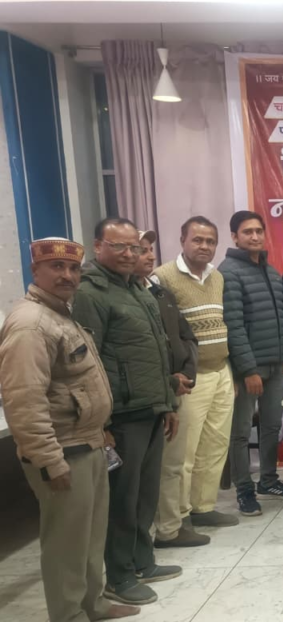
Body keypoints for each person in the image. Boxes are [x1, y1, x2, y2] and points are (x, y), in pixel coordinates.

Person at [0, 238, 140, 622]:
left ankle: (92, 604)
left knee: (90, 536)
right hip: (62, 450)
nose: (67, 275)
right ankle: (68, 614)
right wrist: (48, 459)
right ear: (36, 271)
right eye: (57, 267)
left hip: (87, 443)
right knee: (66, 542)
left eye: (74, 268)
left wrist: (101, 429)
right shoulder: (31, 324)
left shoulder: (60, 315)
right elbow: (23, 399)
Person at [73, 218, 181, 605]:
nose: (129, 254)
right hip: (121, 415)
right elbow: (88, 363)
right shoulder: (91, 293)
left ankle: (142, 560)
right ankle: (118, 576)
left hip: (150, 407)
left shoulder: (137, 288)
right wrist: (101, 422)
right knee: (122, 497)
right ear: (98, 246)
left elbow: (157, 352)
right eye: (118, 246)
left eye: (134, 247)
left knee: (145, 494)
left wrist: (167, 404)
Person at [152, 216, 238, 544]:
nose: (204, 246)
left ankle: (203, 507)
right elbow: (163, 333)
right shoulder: (162, 277)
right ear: (182, 241)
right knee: (183, 453)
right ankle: (179, 516)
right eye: (197, 240)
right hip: (191, 379)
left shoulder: (217, 277)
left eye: (210, 241)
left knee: (214, 446)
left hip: (221, 371)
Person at [220, 211, 283, 518]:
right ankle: (244, 489)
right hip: (248, 371)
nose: (254, 236)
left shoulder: (270, 271)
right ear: (234, 237)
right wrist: (248, 370)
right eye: (247, 232)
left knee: (271, 426)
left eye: (258, 231)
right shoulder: (229, 272)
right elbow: (233, 326)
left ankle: (268, 480)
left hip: (275, 365)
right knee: (241, 432)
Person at [134, 232, 208, 548]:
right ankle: (154, 533)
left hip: (176, 390)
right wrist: (169, 381)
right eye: (140, 250)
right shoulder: (121, 296)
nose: (149, 256)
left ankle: (170, 528)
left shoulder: (160, 292)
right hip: (146, 397)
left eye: (150, 250)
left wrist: (185, 374)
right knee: (154, 469)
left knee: (173, 464)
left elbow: (186, 337)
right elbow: (137, 356)